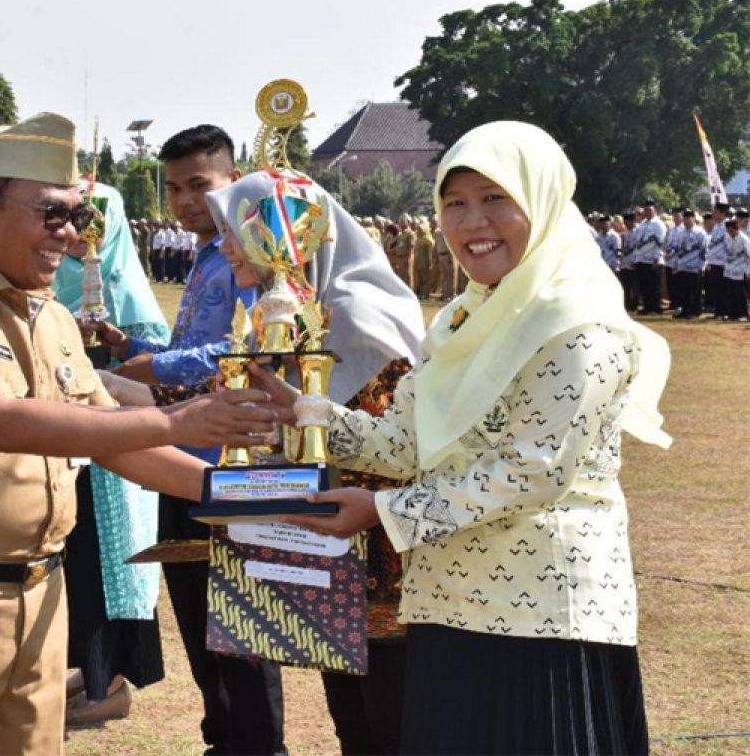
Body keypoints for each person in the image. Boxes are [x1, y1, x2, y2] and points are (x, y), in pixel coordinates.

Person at [0, 113, 275, 756]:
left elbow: (111, 440)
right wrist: (177, 419)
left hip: (39, 601)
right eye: (52, 215)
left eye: (79, 217)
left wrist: (252, 497)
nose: (70, 235)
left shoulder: (51, 316)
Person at [253, 121, 669, 755]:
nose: (473, 221)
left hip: (543, 616)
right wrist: (307, 415)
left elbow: (533, 472)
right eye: (454, 203)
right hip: (450, 605)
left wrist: (384, 512)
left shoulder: (579, 324)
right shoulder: (463, 317)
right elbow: (407, 442)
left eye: (495, 197)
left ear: (543, 198)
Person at [206, 167, 426, 756]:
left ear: (285, 233)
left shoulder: (356, 319)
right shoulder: (282, 313)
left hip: (385, 568)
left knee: (391, 727)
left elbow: (392, 449)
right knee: (353, 725)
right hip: (328, 553)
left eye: (236, 229)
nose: (224, 243)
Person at [90, 125, 283, 756]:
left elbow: (256, 346)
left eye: (199, 184)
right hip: (180, 460)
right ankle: (221, 740)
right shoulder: (205, 255)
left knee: (242, 630)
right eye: (173, 188)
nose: (183, 201)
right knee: (200, 623)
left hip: (233, 461)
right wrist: (132, 350)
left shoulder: (255, 252)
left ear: (234, 178)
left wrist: (154, 369)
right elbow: (184, 354)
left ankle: (257, 746)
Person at [52, 182, 170, 724]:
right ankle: (85, 672)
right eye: (71, 220)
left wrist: (114, 344)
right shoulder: (50, 275)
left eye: (91, 222)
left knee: (108, 560)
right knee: (74, 560)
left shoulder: (128, 286)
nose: (79, 236)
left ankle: (110, 682)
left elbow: (160, 363)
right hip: (66, 443)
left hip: (115, 452)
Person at [633, 199, 665, 314]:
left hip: (653, 260)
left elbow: (660, 243)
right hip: (641, 259)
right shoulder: (642, 225)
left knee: (654, 286)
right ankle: (647, 307)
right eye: (645, 210)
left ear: (654, 210)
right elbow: (638, 242)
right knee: (644, 285)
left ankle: (655, 307)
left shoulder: (659, 224)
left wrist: (656, 258)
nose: (647, 212)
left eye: (650, 210)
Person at [672, 211, 706, 319]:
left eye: (688, 219)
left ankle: (695, 311)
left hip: (695, 266)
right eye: (684, 219)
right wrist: (676, 265)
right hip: (682, 266)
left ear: (693, 219)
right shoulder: (681, 234)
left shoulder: (700, 233)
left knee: (694, 290)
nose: (686, 221)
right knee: (684, 290)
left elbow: (704, 250)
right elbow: (677, 251)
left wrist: (702, 266)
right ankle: (685, 310)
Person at [704, 204, 730, 318]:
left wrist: (726, 262)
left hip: (722, 263)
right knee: (716, 289)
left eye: (715, 212)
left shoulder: (727, 226)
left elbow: (729, 246)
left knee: (723, 289)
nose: (713, 214)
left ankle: (725, 312)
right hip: (714, 262)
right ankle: (718, 311)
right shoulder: (716, 226)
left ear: (722, 213)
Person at [722, 216, 750, 321]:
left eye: (730, 230)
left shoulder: (743, 239)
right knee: (730, 294)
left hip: (740, 271)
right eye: (728, 231)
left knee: (740, 295)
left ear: (736, 229)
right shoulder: (728, 238)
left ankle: (743, 314)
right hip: (729, 270)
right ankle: (732, 313)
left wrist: (747, 271)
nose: (729, 233)